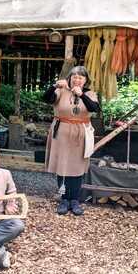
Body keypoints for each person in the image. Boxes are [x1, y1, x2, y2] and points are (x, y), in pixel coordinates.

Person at [43, 66, 100, 215]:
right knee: (62, 165)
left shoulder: (90, 94)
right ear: (69, 78)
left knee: (77, 166)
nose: (77, 79)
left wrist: (81, 95)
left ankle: (74, 199)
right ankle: (64, 199)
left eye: (80, 77)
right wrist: (54, 86)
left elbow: (94, 108)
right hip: (61, 132)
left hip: (80, 133)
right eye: (74, 76)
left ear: (85, 80)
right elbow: (46, 98)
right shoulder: (61, 91)